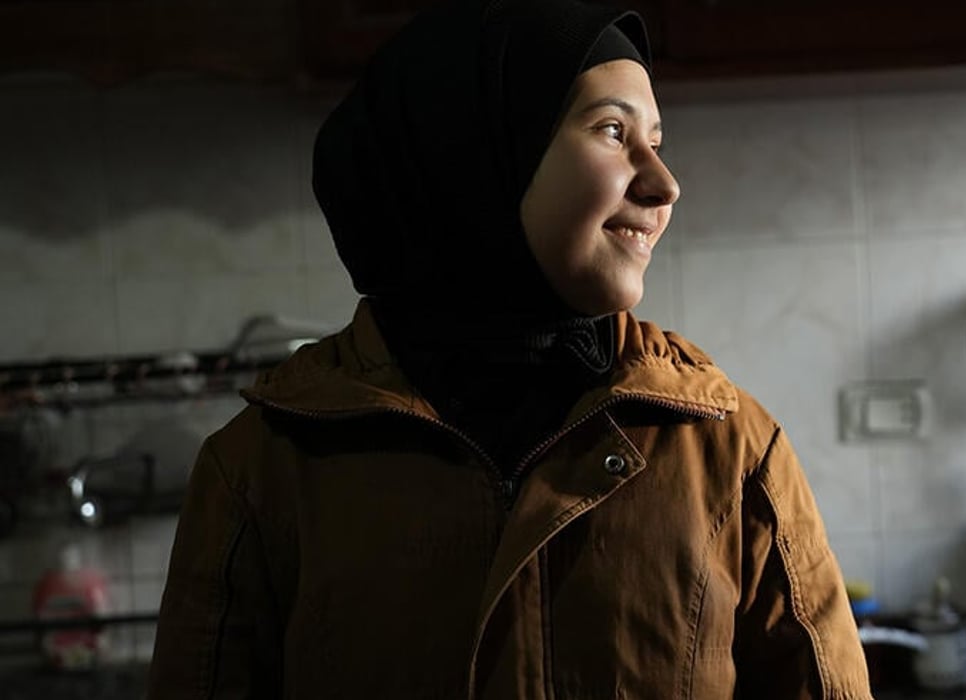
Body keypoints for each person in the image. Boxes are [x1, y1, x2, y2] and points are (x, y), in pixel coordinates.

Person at [147, 0, 871, 697]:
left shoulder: (731, 449)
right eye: (613, 131)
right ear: (473, 154)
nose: (664, 184)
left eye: (656, 142)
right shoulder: (263, 470)